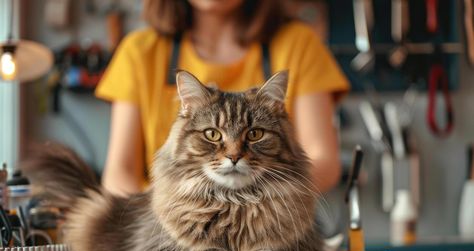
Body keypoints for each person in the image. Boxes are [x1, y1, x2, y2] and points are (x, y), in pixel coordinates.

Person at [95, 0, 350, 196]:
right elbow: (119, 174)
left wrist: (251, 197)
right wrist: (173, 206)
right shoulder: (139, 51)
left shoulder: (299, 43)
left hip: (270, 214)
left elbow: (324, 161)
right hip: (173, 222)